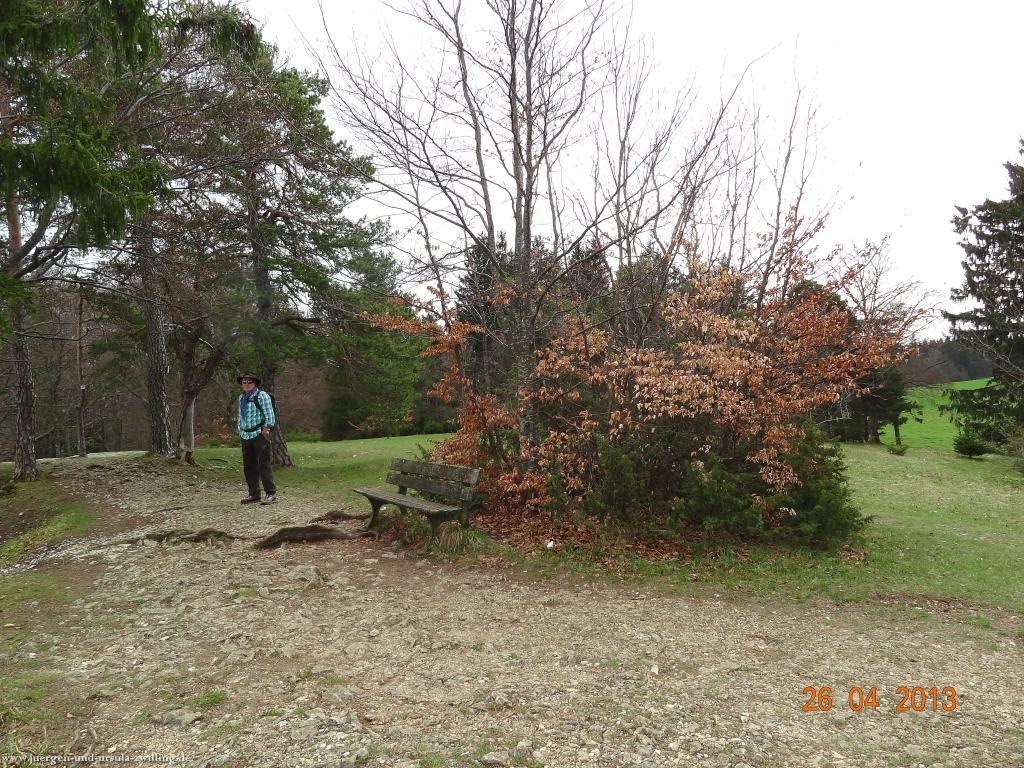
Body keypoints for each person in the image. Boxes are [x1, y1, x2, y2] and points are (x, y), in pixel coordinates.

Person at [236, 373, 277, 505]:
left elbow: (269, 414)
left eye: (249, 382)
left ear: (254, 384)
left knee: (263, 464)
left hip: (259, 433)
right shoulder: (241, 398)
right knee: (248, 465)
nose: (246, 384)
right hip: (245, 435)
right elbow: (240, 415)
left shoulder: (262, 396)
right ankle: (254, 494)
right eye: (244, 382)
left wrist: (267, 429)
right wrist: (240, 429)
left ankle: (270, 493)